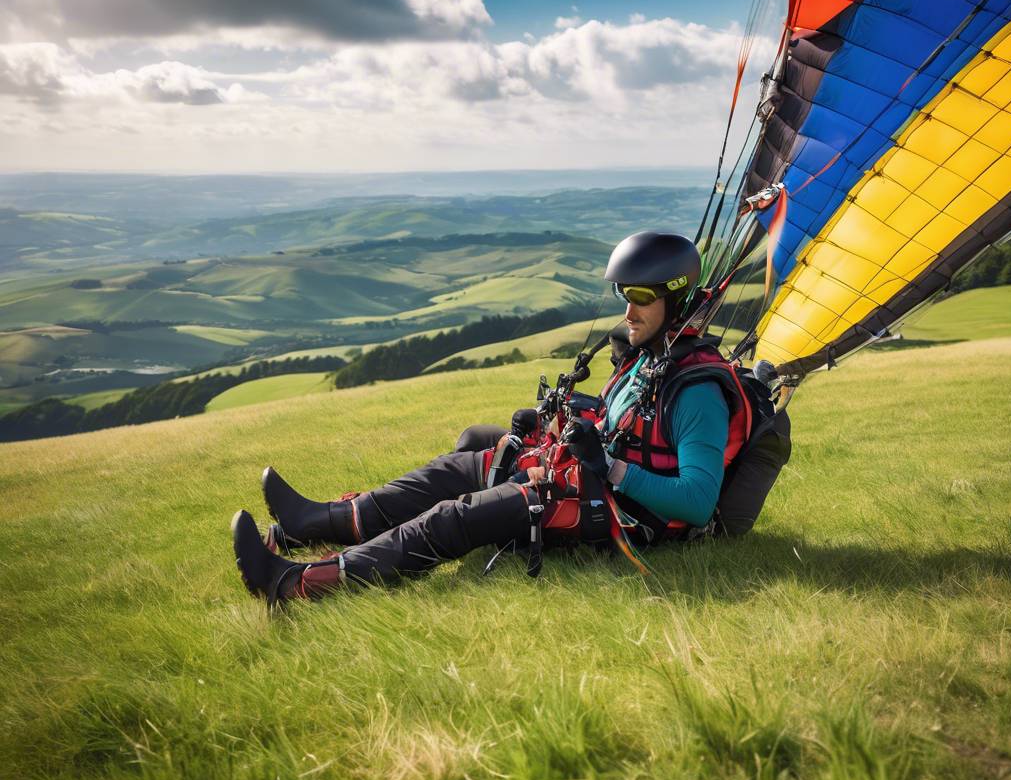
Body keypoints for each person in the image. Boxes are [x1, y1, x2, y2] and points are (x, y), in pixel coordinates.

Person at [232, 232, 788, 604]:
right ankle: (314, 523)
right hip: (595, 482)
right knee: (474, 454)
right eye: (623, 293)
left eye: (640, 295)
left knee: (457, 515)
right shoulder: (649, 358)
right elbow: (625, 423)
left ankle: (299, 585)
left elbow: (696, 501)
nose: (627, 308)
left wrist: (611, 468)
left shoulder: (698, 394)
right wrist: (562, 420)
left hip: (624, 516)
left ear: (676, 298)